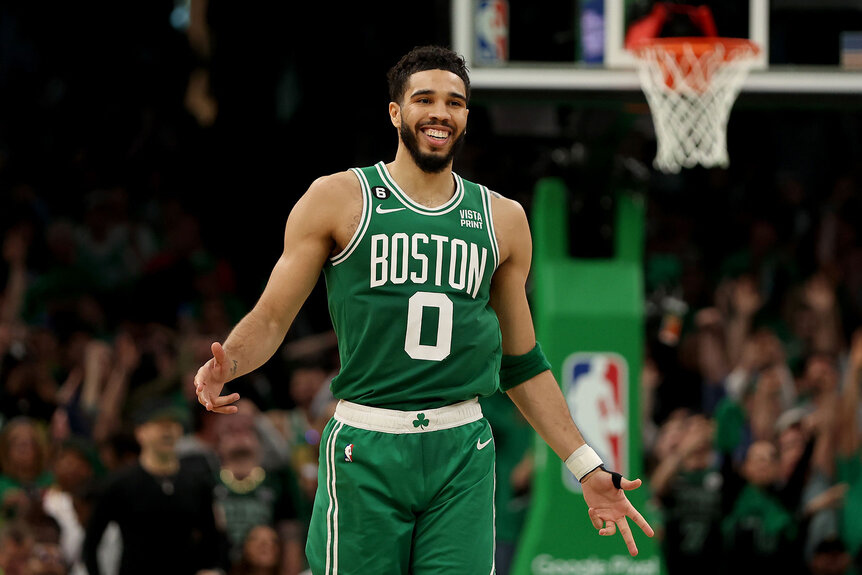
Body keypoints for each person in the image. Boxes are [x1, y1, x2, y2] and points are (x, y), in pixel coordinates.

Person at [194, 44, 654, 574]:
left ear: (466, 117)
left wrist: (586, 465)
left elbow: (521, 362)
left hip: (461, 447)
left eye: (455, 103)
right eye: (425, 99)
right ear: (395, 112)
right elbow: (273, 316)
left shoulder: (502, 219)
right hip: (366, 443)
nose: (440, 112)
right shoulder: (340, 197)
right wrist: (229, 360)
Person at [82, 396, 227, 575]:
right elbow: (91, 543)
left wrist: (212, 568)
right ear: (140, 432)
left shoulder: (196, 483)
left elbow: (212, 535)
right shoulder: (119, 484)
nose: (167, 431)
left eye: (173, 424)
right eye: (160, 424)